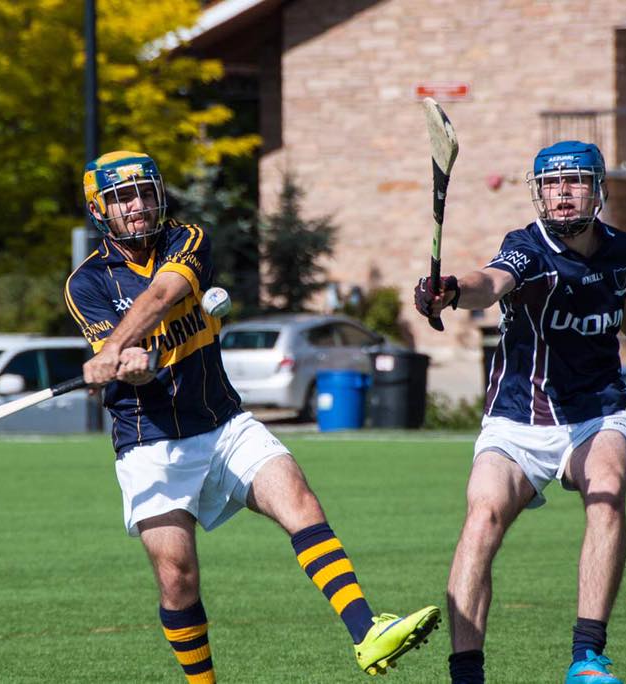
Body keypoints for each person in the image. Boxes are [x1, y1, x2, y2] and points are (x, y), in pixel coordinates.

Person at [66, 150, 440, 682]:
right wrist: (128, 366)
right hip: (149, 441)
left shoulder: (187, 239)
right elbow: (133, 371)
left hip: (223, 424)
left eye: (144, 192)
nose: (137, 206)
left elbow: (163, 294)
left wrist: (117, 346)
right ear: (99, 210)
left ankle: (367, 633)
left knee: (299, 501)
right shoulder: (87, 284)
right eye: (122, 197)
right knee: (177, 577)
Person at [413, 141, 626, 684]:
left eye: (574, 181)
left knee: (607, 489)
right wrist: (452, 290)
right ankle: (465, 674)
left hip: (595, 411)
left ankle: (587, 658)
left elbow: (621, 304)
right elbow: (492, 281)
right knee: (481, 519)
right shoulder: (528, 248)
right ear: (538, 193)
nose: (562, 193)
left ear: (598, 189)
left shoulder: (622, 249)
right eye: (551, 184)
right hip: (518, 418)